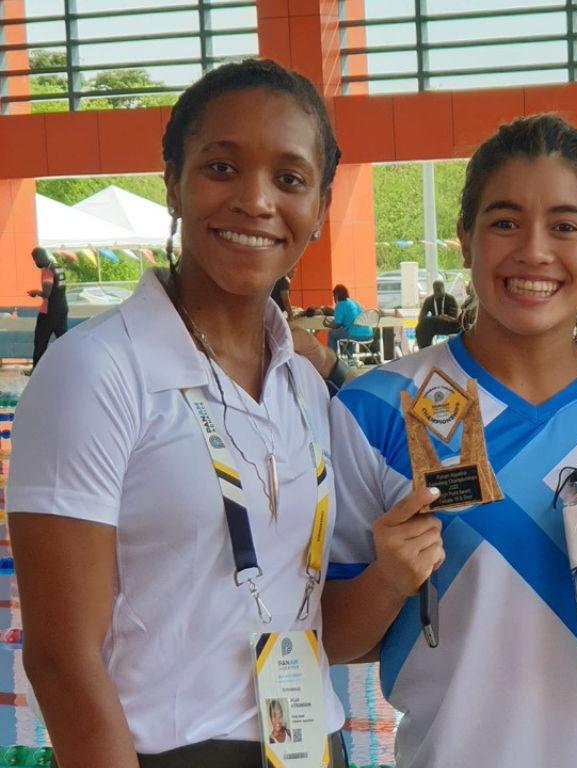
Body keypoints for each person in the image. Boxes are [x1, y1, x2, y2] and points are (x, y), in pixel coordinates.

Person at [322, 114, 577, 768]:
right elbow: (335, 640)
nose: (534, 251)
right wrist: (387, 580)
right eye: (505, 222)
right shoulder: (380, 408)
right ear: (465, 239)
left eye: (565, 226)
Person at [7, 59, 349, 768]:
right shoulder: (96, 372)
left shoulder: (302, 386)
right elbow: (61, 657)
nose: (256, 201)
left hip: (311, 745)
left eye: (289, 179)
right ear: (173, 183)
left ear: (320, 206)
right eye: (222, 168)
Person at [26, 246, 68, 373]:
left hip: (49, 312)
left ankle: (37, 370)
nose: (35, 263)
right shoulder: (59, 267)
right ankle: (71, 365)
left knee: (40, 340)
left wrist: (35, 292)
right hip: (62, 308)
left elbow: (46, 293)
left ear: (40, 257)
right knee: (64, 340)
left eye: (35, 259)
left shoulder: (47, 271)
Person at [325, 283, 373, 355]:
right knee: (347, 331)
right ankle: (350, 357)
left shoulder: (340, 304)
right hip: (369, 334)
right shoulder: (354, 302)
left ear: (336, 295)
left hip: (354, 334)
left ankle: (332, 357)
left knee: (331, 333)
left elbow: (337, 324)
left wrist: (328, 324)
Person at [414, 279, 460, 348]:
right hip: (435, 324)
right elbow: (421, 318)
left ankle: (454, 348)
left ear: (444, 289)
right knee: (421, 327)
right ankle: (425, 350)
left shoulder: (450, 299)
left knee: (459, 327)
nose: (437, 292)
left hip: (449, 325)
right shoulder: (429, 300)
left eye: (439, 290)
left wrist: (445, 317)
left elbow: (455, 318)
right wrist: (437, 317)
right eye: (435, 290)